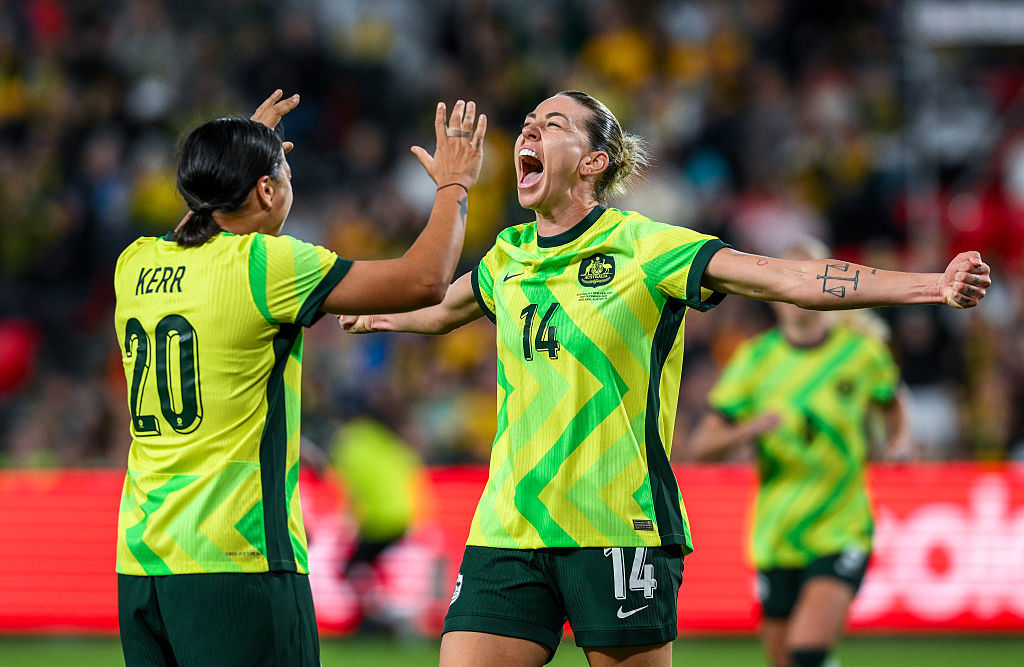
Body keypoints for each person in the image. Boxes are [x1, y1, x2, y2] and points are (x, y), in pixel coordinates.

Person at [340, 90, 990, 667]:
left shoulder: (649, 249)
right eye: (530, 123)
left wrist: (930, 285)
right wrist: (368, 305)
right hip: (508, 527)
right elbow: (440, 306)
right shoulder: (505, 256)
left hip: (617, 526)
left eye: (554, 124)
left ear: (595, 161)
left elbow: (789, 277)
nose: (530, 133)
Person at [112, 89, 486, 666]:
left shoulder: (134, 264)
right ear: (265, 190)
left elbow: (199, 216)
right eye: (282, 173)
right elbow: (424, 282)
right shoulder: (265, 264)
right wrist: (454, 184)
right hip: (238, 559)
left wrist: (242, 155)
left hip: (140, 564)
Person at [687, 237, 912, 667]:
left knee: (807, 651)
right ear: (772, 292)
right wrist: (749, 429)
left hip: (840, 524)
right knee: (784, 661)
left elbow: (893, 400)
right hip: (777, 531)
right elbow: (701, 448)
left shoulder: (861, 352)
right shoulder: (754, 360)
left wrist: (898, 441)